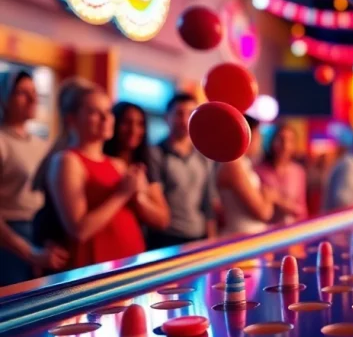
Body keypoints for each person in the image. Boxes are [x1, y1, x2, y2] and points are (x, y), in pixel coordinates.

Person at [43, 84, 147, 269]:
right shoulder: (67, 161)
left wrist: (139, 192)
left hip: (130, 261)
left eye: (108, 111)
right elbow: (79, 230)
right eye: (94, 112)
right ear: (72, 120)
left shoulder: (117, 163)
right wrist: (122, 194)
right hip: (97, 266)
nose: (106, 118)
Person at [0, 70, 66, 285]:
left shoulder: (42, 144)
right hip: (10, 240)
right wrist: (29, 252)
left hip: (40, 235)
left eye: (34, 92)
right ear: (4, 98)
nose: (32, 99)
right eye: (22, 92)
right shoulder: (2, 142)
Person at [148, 93, 218, 249]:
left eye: (190, 114)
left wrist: (211, 237)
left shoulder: (204, 155)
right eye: (179, 114)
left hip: (198, 236)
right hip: (166, 238)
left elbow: (207, 201)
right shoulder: (156, 153)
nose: (185, 120)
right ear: (167, 117)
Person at [103, 102, 170, 233]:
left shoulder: (144, 165)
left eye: (140, 124)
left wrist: (138, 197)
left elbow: (163, 219)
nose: (133, 130)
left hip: (135, 242)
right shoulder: (100, 160)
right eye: (126, 123)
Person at [217, 115, 276, 237]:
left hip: (249, 235)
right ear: (247, 135)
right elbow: (263, 212)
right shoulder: (234, 164)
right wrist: (268, 196)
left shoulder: (243, 162)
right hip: (240, 237)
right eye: (258, 135)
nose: (260, 141)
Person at [255, 123, 307, 224]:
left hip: (292, 231)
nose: (285, 145)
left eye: (290, 141)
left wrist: (279, 201)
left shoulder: (298, 171)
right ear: (272, 142)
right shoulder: (259, 170)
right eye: (281, 139)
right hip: (266, 231)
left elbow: (302, 210)